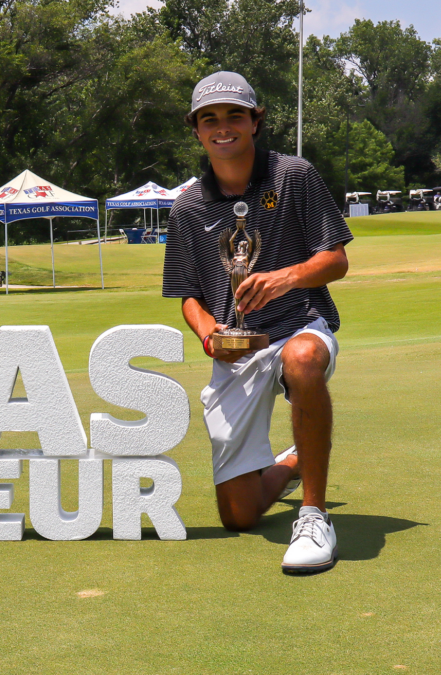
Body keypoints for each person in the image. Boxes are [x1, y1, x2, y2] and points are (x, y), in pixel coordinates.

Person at [162, 71, 353, 574]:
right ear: (197, 130)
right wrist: (208, 333)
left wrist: (285, 278)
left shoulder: (294, 176)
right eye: (210, 119)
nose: (222, 127)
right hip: (236, 350)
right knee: (240, 515)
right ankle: (295, 459)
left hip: (299, 323)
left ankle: (314, 515)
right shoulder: (186, 206)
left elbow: (334, 260)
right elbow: (188, 296)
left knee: (304, 358)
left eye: (234, 116)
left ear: (255, 122)